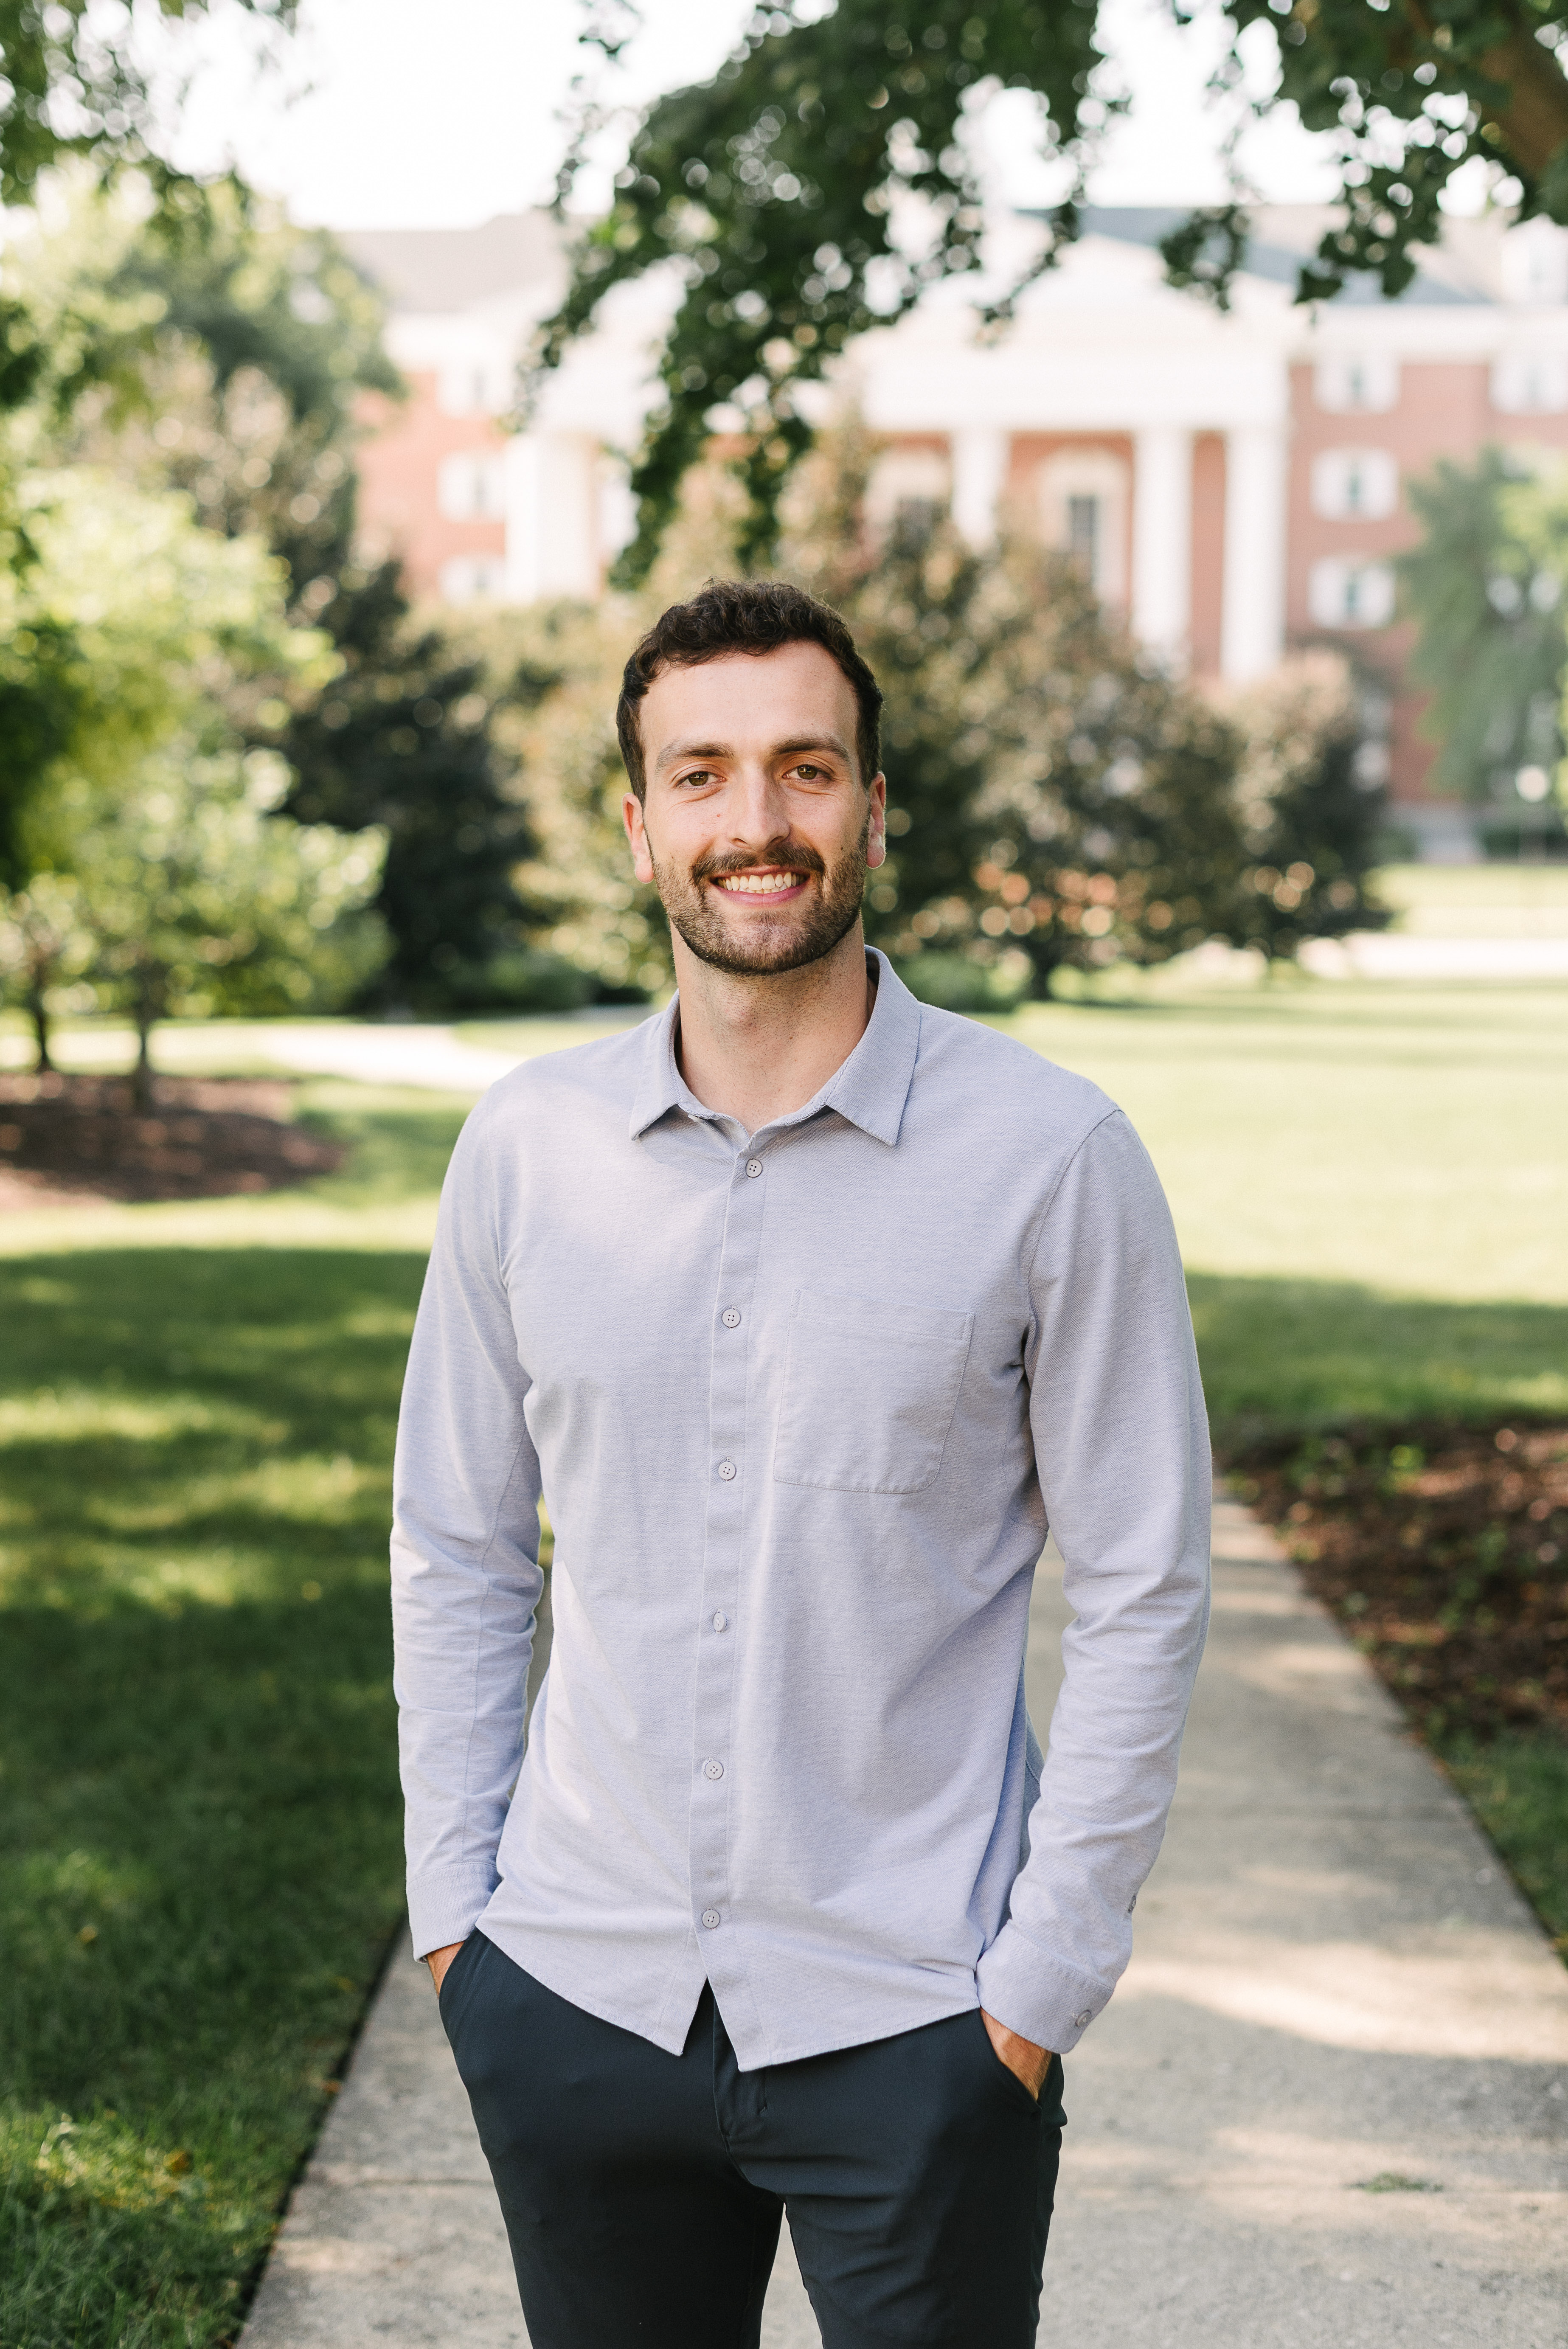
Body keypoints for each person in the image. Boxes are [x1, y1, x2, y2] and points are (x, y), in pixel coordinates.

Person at [391, 578, 1211, 2349]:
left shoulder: (1054, 1157)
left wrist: (1039, 1983)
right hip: (574, 1995)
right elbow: (456, 1546)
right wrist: (458, 1920)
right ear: (639, 826)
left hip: (917, 2016)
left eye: (804, 768)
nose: (754, 823)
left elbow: (1148, 1580)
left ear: (871, 807)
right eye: (701, 775)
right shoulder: (527, 1151)